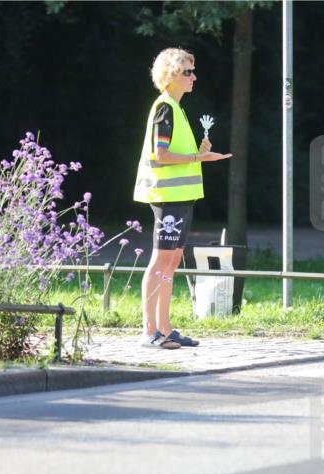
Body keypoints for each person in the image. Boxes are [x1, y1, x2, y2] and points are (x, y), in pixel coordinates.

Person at [133, 47, 231, 350]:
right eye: (187, 71)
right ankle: (150, 330)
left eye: (192, 70)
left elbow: (175, 154)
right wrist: (199, 158)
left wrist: (198, 156)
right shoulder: (165, 108)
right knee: (161, 261)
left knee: (172, 261)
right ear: (171, 76)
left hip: (181, 197)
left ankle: (165, 327)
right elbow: (160, 155)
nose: (194, 77)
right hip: (167, 197)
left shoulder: (176, 108)